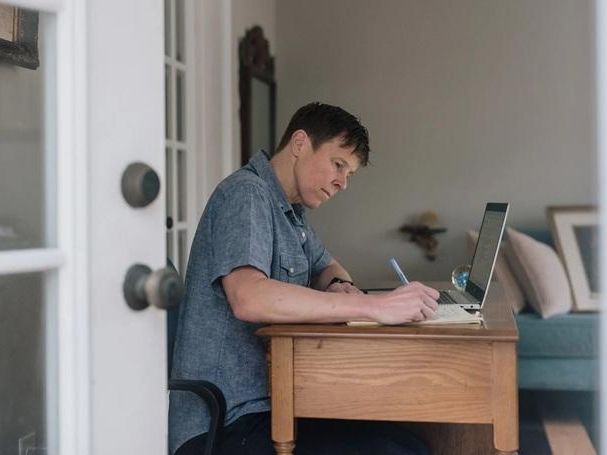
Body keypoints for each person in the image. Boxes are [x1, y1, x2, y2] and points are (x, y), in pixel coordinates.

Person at [169, 102, 439, 455]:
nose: (342, 183)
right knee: (399, 450)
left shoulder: (291, 212)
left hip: (273, 403)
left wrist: (340, 286)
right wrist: (371, 306)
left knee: (408, 439)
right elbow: (248, 297)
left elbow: (329, 267)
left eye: (349, 174)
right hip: (226, 423)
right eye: (338, 164)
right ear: (300, 143)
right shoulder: (246, 194)